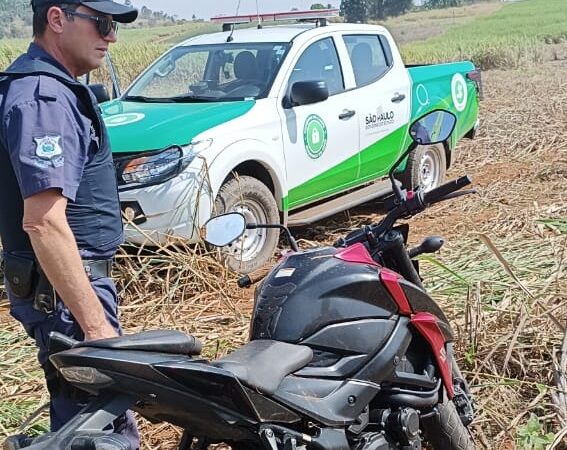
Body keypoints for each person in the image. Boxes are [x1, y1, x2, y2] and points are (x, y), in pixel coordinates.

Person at [0, 0, 139, 448]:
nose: (111, 37)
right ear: (57, 20)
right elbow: (43, 221)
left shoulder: (42, 88)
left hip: (60, 288)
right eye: (101, 23)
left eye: (113, 25)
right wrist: (96, 330)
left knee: (87, 422)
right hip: (65, 293)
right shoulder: (45, 97)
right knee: (101, 431)